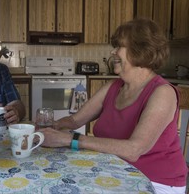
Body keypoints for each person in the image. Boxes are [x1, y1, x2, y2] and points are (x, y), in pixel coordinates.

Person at [40, 18, 188, 194]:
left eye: (119, 47)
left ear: (139, 50)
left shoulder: (162, 93)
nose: (113, 51)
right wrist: (51, 127)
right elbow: (74, 120)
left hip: (156, 182)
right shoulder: (114, 86)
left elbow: (134, 150)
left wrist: (69, 140)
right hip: (116, 172)